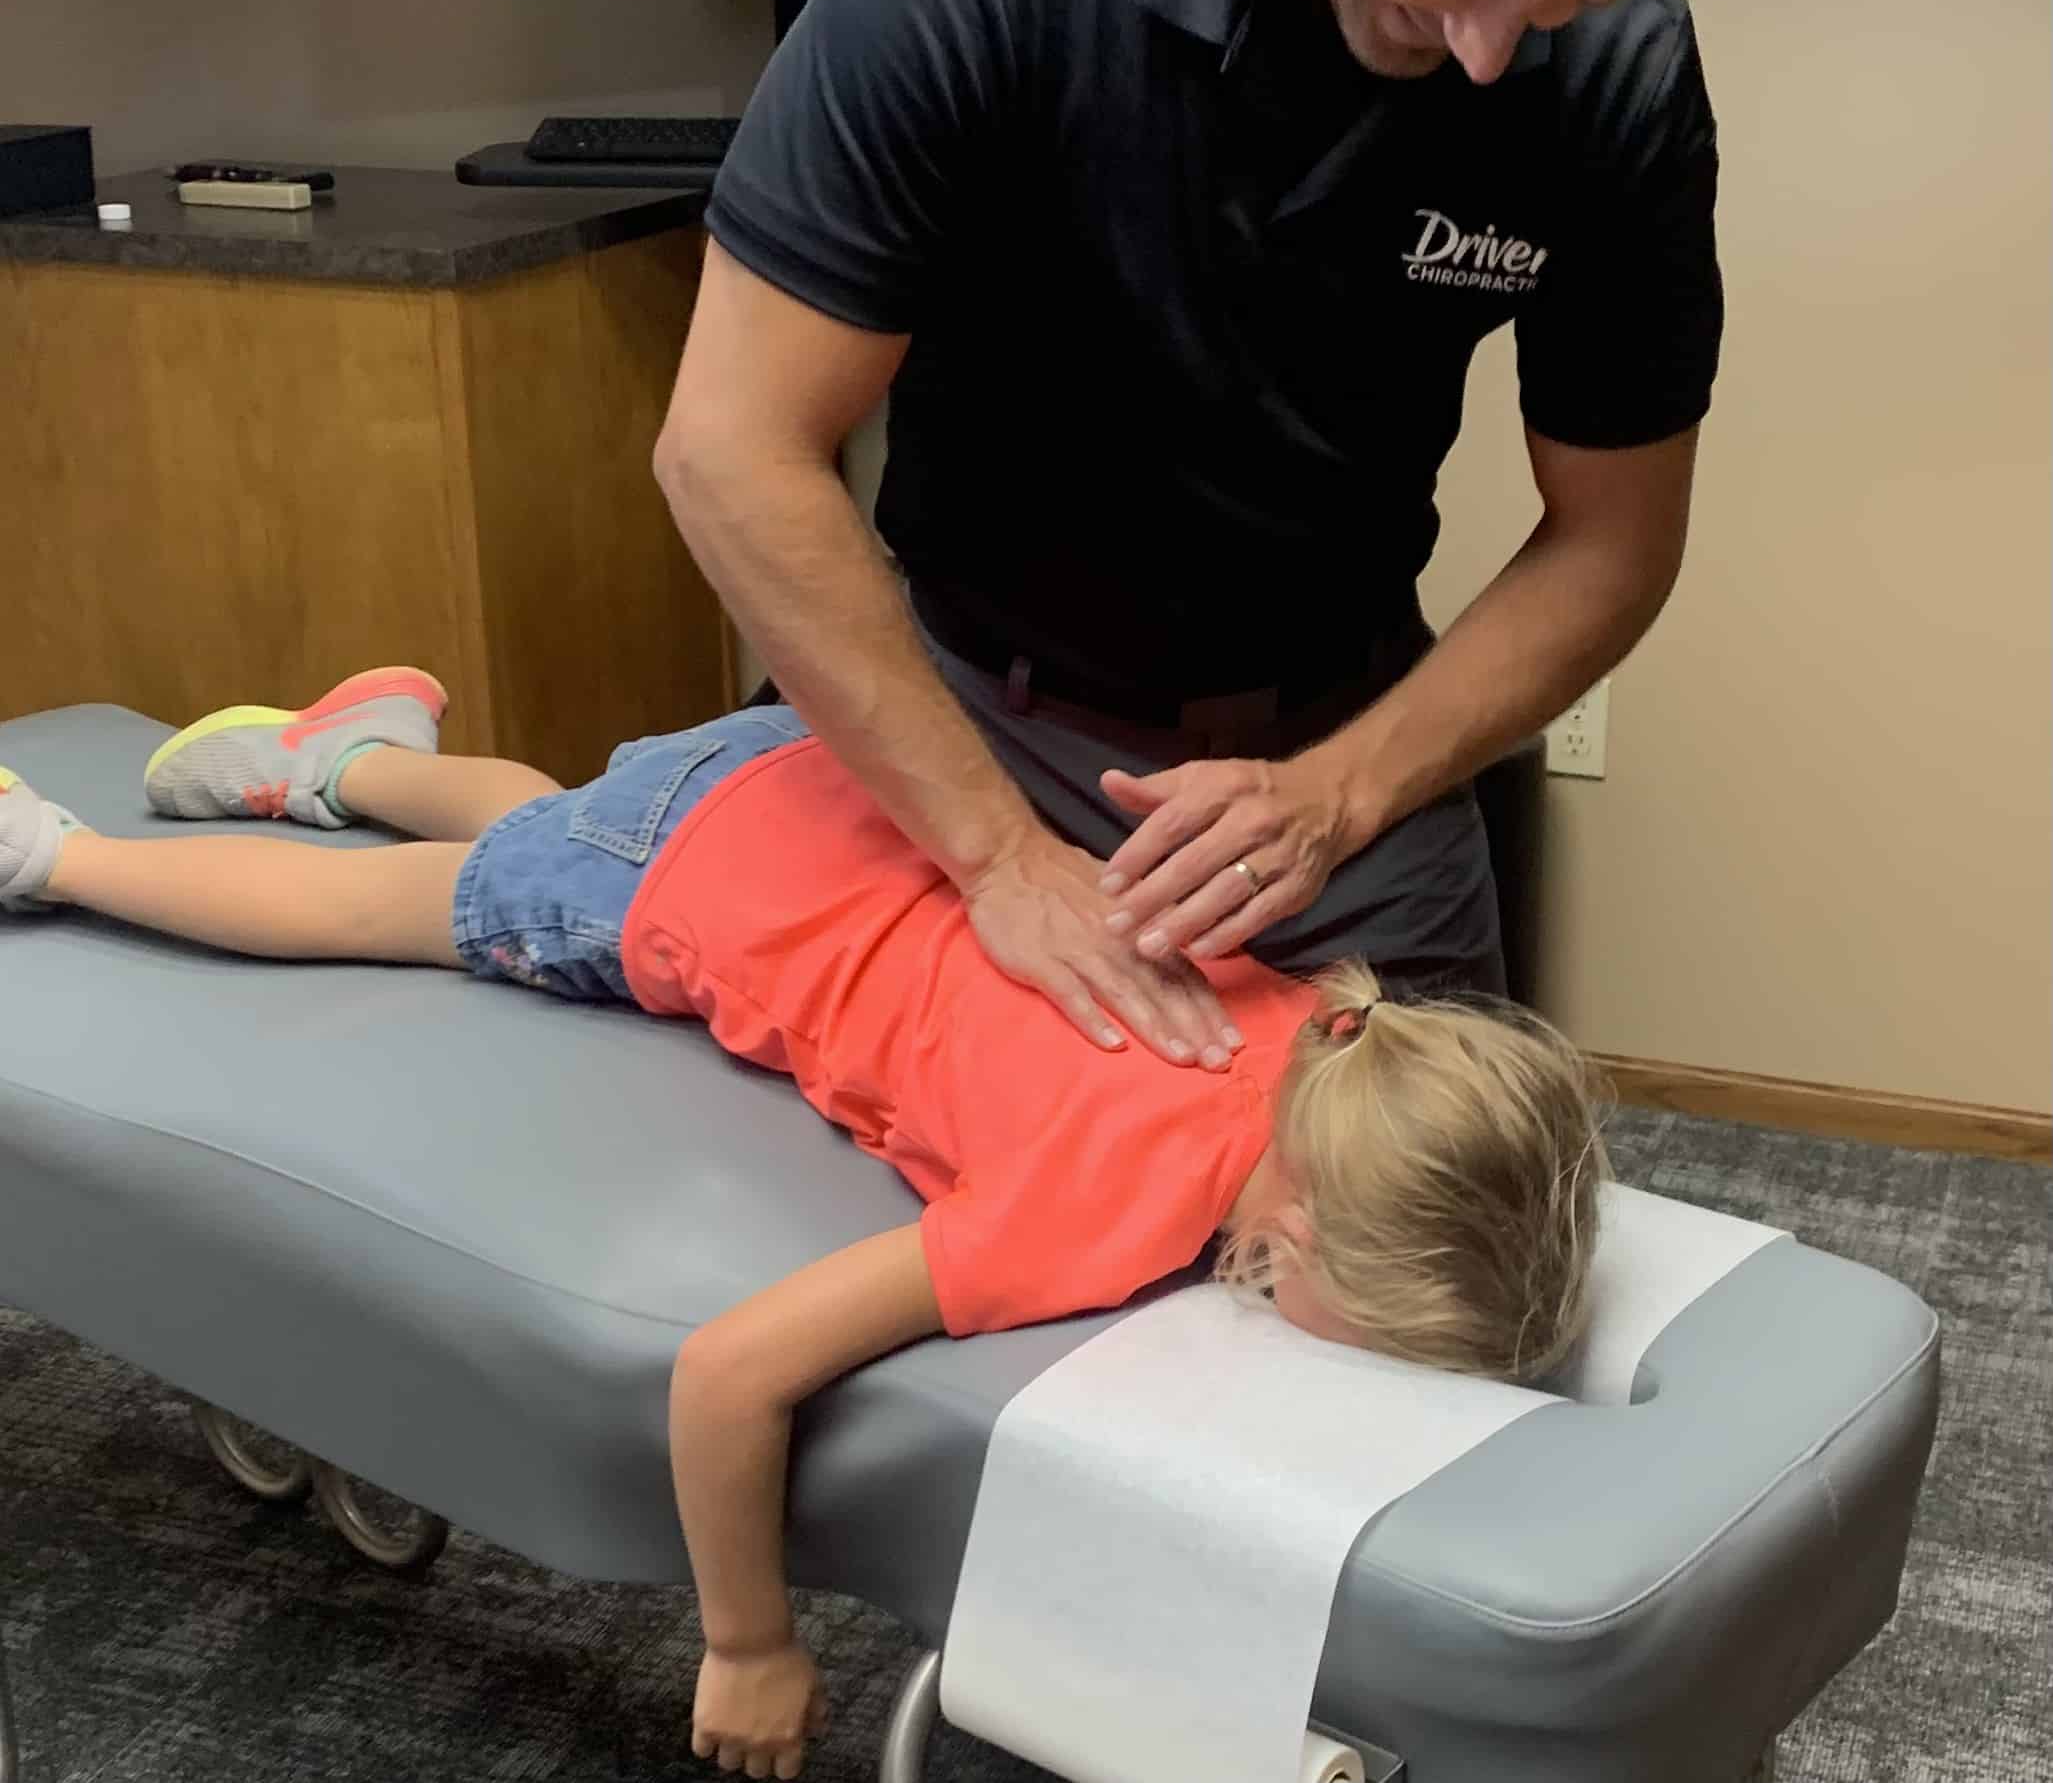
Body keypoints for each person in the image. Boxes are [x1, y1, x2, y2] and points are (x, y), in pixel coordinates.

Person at [1, 671, 1613, 1778]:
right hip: (688, 888)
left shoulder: (1314, 1015)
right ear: (1305, 1231)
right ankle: (60, 855)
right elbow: (728, 1373)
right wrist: (750, 1643)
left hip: (811, 772)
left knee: (559, 826)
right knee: (399, 913)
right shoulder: (1096, 1215)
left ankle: (349, 756)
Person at [654, 0, 1774, 1082]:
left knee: (1438, 1267)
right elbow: (732, 449)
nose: (1491, 50)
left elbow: (1611, 543)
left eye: (1553, 4)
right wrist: (995, 859)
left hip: (1341, 765)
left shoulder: (1616, 74)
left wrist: (1333, 795)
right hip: (968, 737)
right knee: (968, 1231)